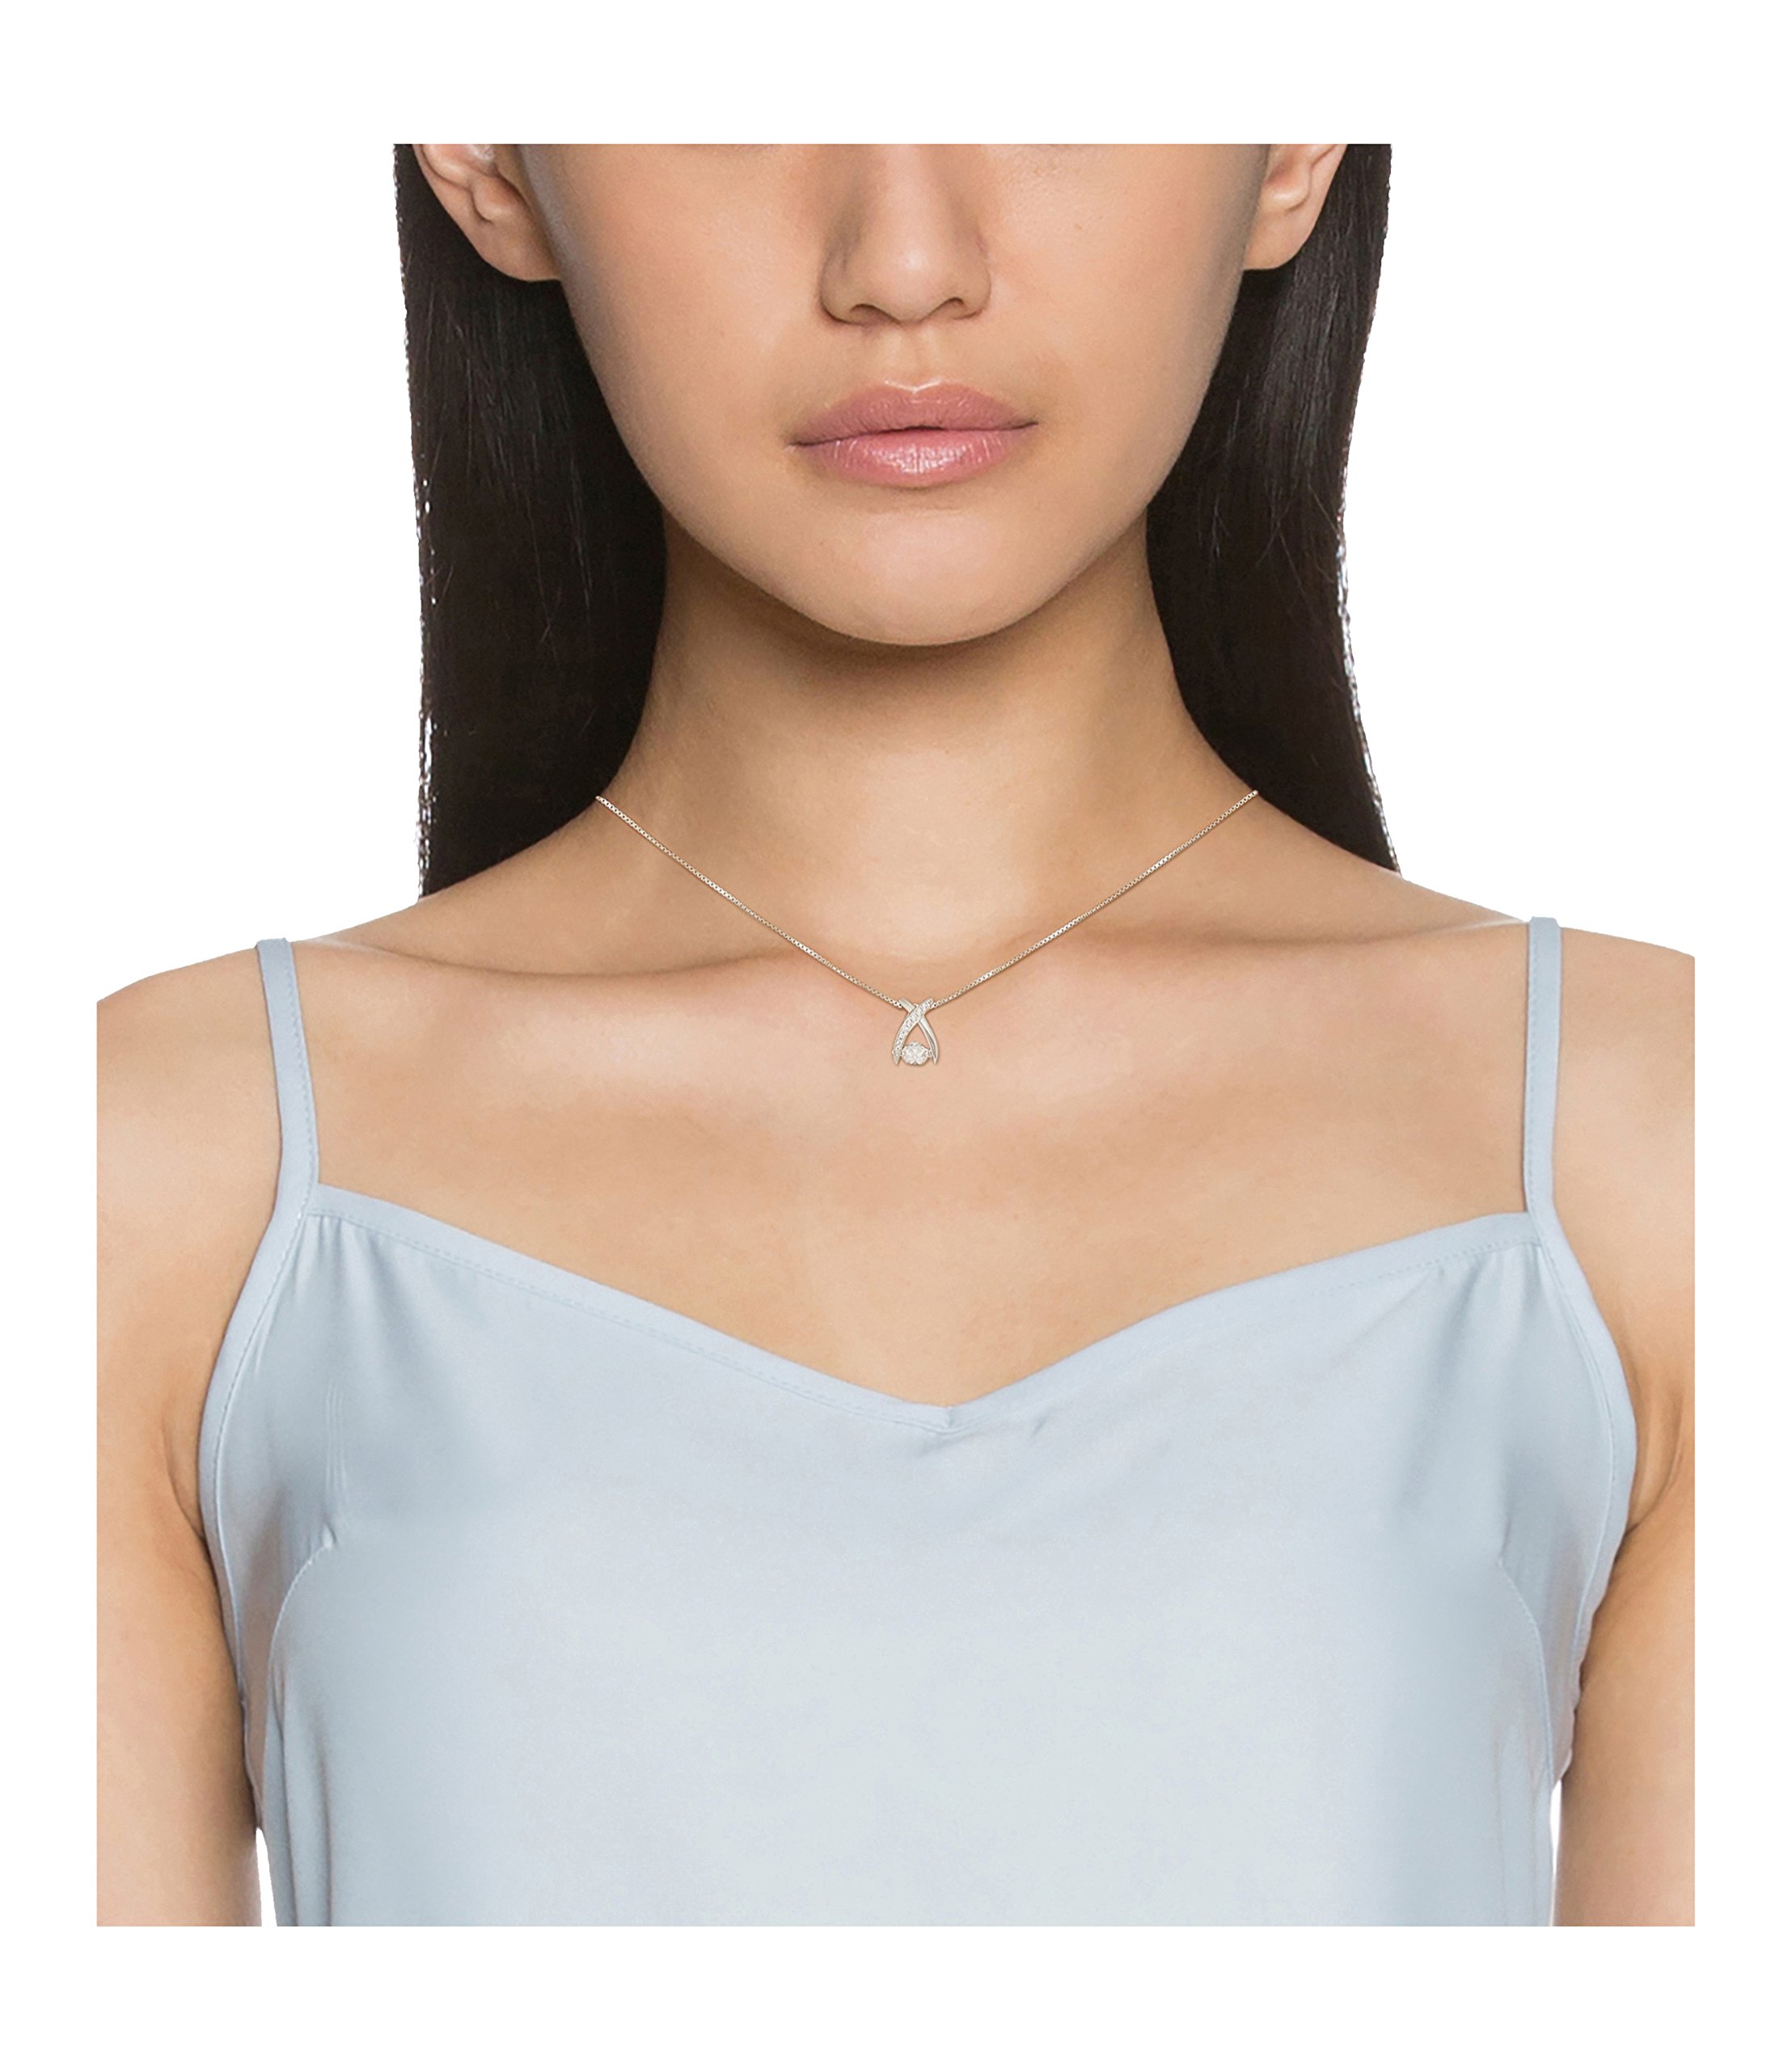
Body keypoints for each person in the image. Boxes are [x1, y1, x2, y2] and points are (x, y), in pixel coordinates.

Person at [96, 145, 1693, 1926]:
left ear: (1295, 140)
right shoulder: (157, 1168)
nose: (907, 262)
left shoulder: (1663, 1143)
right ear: (488, 161)